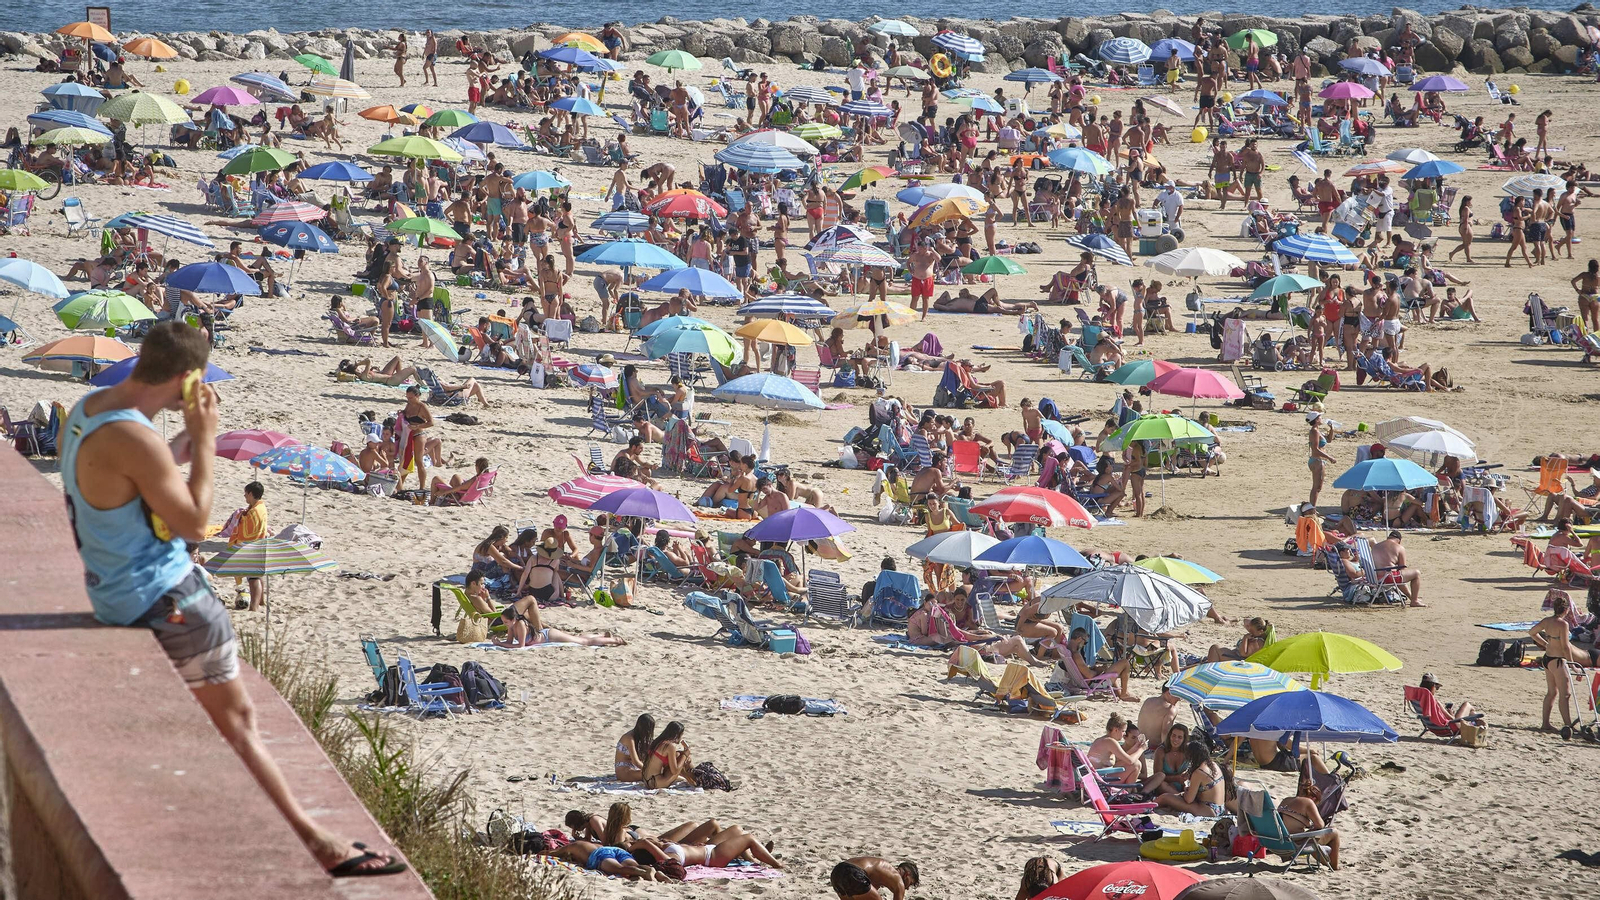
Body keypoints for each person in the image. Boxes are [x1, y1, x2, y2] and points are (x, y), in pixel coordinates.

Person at [56, 322, 405, 878]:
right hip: (165, 598)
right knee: (238, 722)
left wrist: (185, 441)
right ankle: (319, 843)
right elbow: (194, 523)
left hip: (112, 589)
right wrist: (205, 442)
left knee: (222, 722)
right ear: (186, 378)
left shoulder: (89, 410)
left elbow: (136, 478)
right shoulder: (133, 438)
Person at [1530, 594, 1596, 738]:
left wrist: (1546, 644)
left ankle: (1545, 723)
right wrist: (1573, 666)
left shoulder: (1547, 621)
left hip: (1548, 659)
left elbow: (1532, 632)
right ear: (1566, 610)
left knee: (1551, 693)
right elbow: (1565, 647)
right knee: (1565, 694)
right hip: (1558, 661)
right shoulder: (1563, 624)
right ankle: (1568, 725)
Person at [1278, 776, 1341, 869]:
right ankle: (1334, 866)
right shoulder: (1308, 802)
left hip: (1279, 843)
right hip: (1295, 843)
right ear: (1313, 798)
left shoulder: (1286, 800)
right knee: (1333, 832)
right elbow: (1320, 825)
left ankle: (1323, 854)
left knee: (1311, 836)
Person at [225, 481, 269, 611]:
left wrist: (241, 517)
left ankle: (254, 607)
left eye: (245, 493)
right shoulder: (260, 507)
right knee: (257, 575)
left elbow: (248, 531)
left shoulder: (255, 511)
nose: (244, 496)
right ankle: (261, 602)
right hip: (259, 545)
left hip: (252, 546)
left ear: (250, 494)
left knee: (253, 578)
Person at [1155, 741, 1229, 817]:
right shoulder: (1213, 765)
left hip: (1208, 810)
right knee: (1174, 796)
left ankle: (1150, 807)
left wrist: (1186, 790)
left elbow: (1189, 800)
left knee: (1165, 797)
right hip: (1220, 808)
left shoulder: (1199, 772)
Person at [1370, 530, 1426, 607]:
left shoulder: (1376, 546)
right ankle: (1414, 601)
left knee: (1398, 576)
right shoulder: (1399, 547)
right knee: (1416, 573)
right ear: (1399, 541)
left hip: (1375, 577)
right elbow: (1402, 568)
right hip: (1387, 578)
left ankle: (1411, 598)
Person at [1086, 713, 1146, 784]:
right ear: (1116, 730)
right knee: (1136, 764)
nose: (1124, 734)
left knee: (1134, 763)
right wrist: (1141, 749)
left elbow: (1124, 757)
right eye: (1123, 731)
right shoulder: (1111, 742)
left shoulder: (1100, 740)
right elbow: (1130, 761)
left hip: (1095, 777)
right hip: (1101, 781)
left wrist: (1137, 746)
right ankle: (1128, 789)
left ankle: (1129, 789)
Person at [640, 721, 697, 788]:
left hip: (647, 781)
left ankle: (691, 777)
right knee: (682, 759)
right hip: (655, 783)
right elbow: (675, 771)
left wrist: (682, 754)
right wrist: (685, 755)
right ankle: (696, 779)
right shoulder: (669, 746)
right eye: (681, 735)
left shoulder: (658, 742)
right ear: (677, 735)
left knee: (678, 755)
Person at [831, 858, 919, 900]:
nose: (907, 888)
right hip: (854, 872)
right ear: (907, 874)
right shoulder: (898, 879)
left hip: (837, 873)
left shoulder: (882, 871)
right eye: (910, 883)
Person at [1208, 616, 1272, 662]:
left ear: (1260, 631)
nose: (1250, 632)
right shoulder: (1257, 635)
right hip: (1236, 656)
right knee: (1216, 648)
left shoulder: (1258, 642)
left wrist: (1245, 638)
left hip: (1240, 661)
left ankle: (1210, 673)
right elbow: (1245, 620)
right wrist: (1261, 623)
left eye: (1252, 631)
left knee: (1214, 649)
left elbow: (1243, 654)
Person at [615, 714, 654, 782]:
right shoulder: (629, 738)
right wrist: (649, 770)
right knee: (652, 775)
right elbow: (635, 761)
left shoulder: (638, 736)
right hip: (624, 771)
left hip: (634, 768)